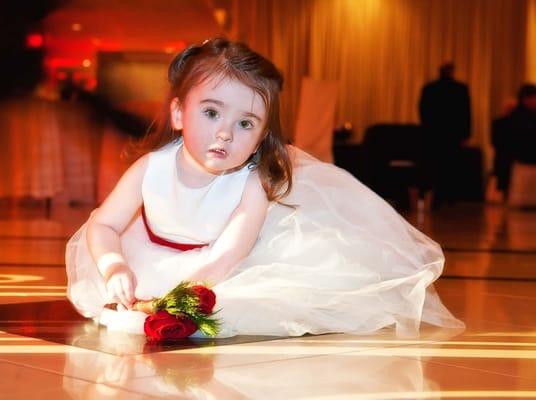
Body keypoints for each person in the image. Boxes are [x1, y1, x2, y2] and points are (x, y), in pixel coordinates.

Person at [66, 38, 463, 337]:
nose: (225, 133)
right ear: (177, 113)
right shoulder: (149, 169)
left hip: (226, 264)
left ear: (262, 135)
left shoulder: (251, 181)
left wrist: (173, 298)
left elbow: (228, 255)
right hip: (153, 253)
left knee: (258, 303)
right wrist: (113, 264)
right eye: (210, 112)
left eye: (246, 123)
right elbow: (104, 225)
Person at [419, 62, 471, 208]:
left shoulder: (430, 88)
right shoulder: (460, 89)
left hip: (434, 134)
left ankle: (437, 196)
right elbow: (465, 114)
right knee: (450, 166)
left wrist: (428, 130)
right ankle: (449, 197)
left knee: (437, 166)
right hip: (452, 135)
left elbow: (423, 111)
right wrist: (465, 134)